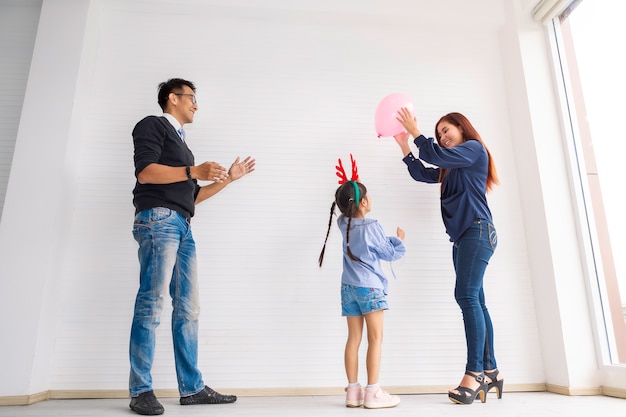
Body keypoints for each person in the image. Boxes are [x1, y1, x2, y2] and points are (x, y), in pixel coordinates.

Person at [129, 78, 256, 415]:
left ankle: (192, 388)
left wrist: (228, 178)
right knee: (152, 304)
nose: (196, 105)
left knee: (188, 308)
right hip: (158, 221)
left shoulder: (182, 145)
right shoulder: (153, 125)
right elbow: (145, 173)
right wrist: (193, 169)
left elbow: (194, 196)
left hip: (182, 225)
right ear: (173, 98)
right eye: (191, 99)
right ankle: (140, 390)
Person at [393, 109, 503, 405]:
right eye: (439, 133)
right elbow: (423, 172)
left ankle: (474, 373)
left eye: (446, 130)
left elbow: (435, 155)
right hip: (466, 237)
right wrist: (405, 144)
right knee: (476, 300)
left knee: (466, 297)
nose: (442, 136)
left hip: (477, 232)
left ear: (462, 128)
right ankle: (491, 370)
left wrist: (417, 132)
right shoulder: (453, 165)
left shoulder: (473, 149)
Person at [319, 154, 406, 409]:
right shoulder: (372, 226)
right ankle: (373, 392)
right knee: (376, 339)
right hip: (370, 288)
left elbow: (354, 226)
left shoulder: (342, 222)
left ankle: (353, 392)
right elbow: (390, 253)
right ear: (364, 201)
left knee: (353, 339)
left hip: (348, 288)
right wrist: (399, 238)